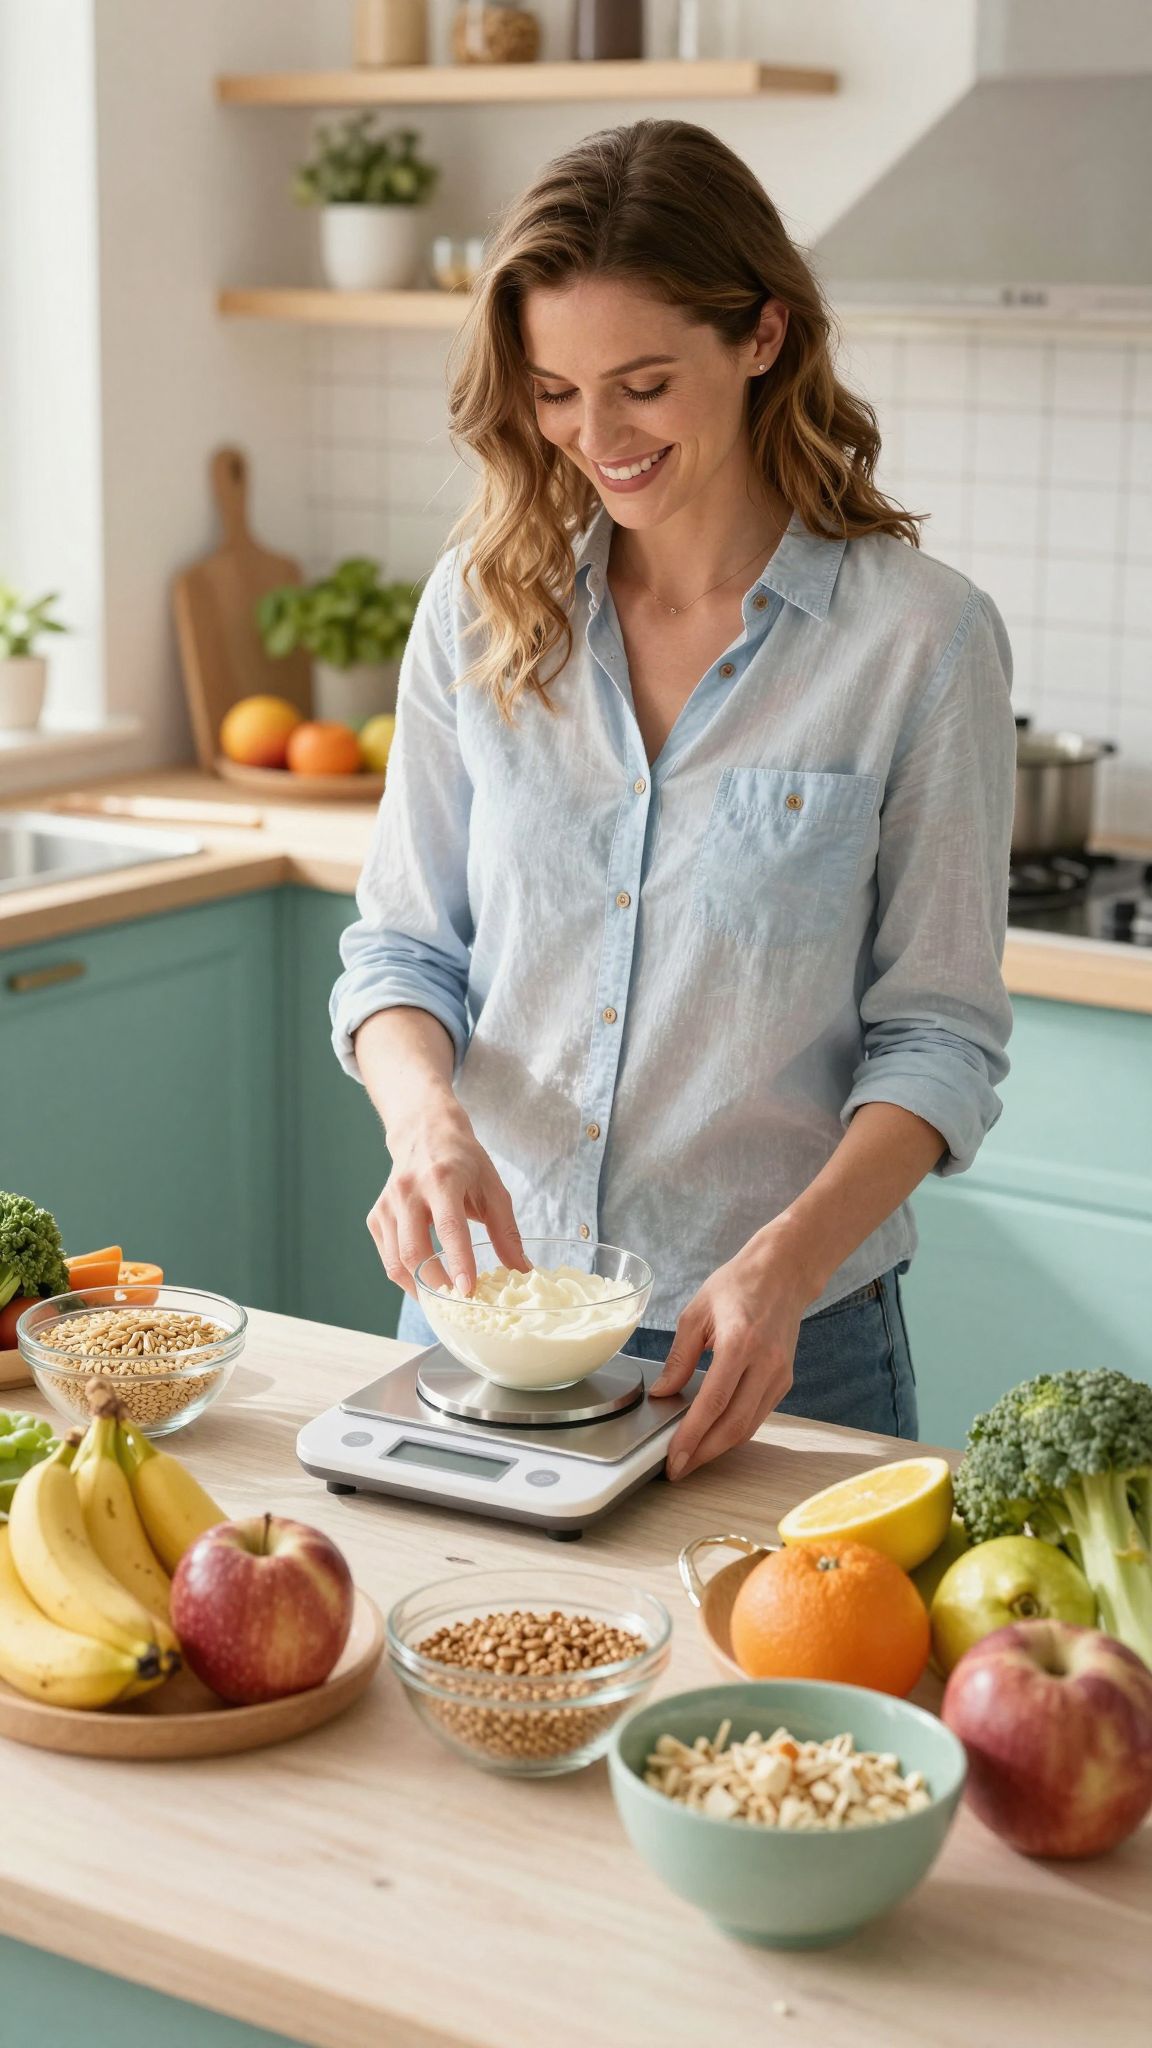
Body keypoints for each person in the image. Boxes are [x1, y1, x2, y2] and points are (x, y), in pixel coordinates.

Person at [330, 120, 1015, 1479]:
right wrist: (425, 1125)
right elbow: (401, 952)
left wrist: (788, 1259)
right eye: (555, 393)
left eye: (643, 385)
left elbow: (938, 1039)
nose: (599, 439)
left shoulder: (919, 641)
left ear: (762, 335)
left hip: (781, 1345)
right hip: (484, 1319)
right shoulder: (479, 607)